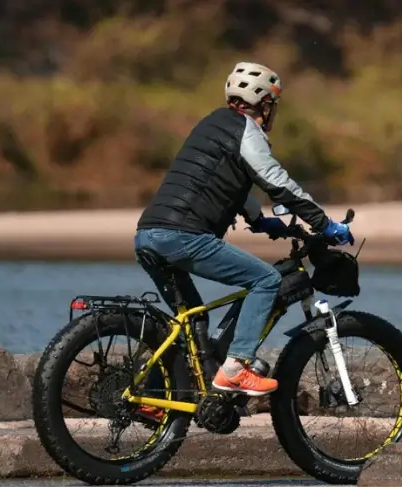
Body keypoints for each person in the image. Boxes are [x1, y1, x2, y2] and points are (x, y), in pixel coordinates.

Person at [134, 61, 354, 401]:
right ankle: (236, 369)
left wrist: (260, 221)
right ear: (264, 103)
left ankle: (158, 400)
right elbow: (279, 184)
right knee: (266, 280)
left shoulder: (211, 123)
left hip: (149, 234)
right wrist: (326, 225)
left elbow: (219, 179)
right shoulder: (247, 131)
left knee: (193, 322)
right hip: (184, 235)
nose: (273, 112)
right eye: (273, 105)